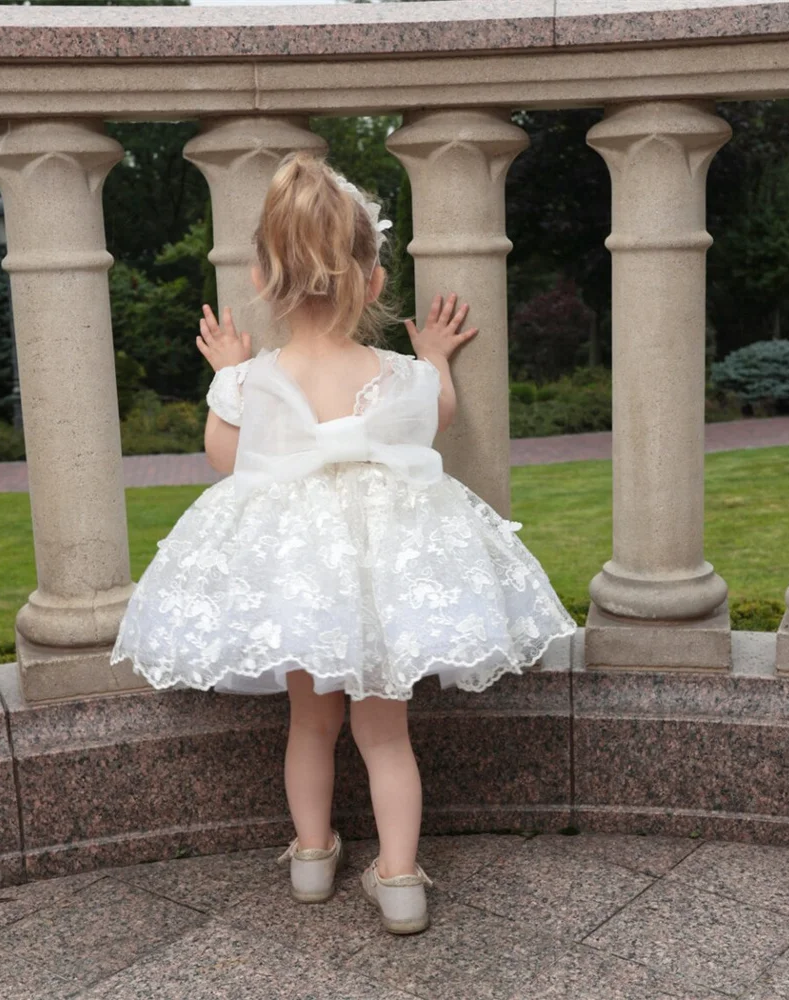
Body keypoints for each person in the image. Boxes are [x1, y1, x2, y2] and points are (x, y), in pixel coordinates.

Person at [110, 152, 577, 935]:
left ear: (261, 278)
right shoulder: (399, 375)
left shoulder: (254, 378)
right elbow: (439, 420)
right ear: (374, 281)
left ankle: (312, 859)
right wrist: (433, 357)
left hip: (302, 577)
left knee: (311, 723)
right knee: (386, 732)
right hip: (384, 572)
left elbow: (229, 462)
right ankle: (399, 881)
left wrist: (228, 377)